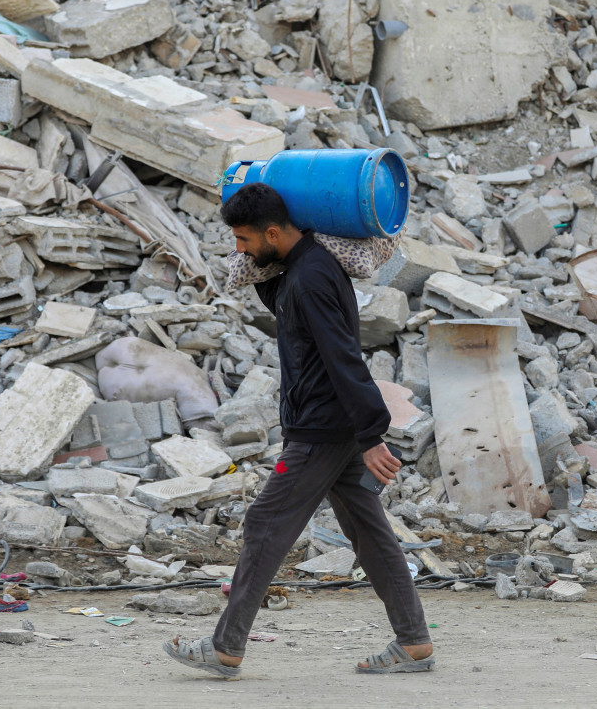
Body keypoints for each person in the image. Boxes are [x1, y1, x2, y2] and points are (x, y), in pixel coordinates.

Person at [164, 183, 434, 677]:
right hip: (333, 425)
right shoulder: (300, 269)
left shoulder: (311, 277)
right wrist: (255, 261)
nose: (238, 251)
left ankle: (226, 647)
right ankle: (413, 641)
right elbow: (277, 297)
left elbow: (343, 356)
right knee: (369, 533)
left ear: (273, 232)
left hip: (321, 430)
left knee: (266, 525)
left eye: (244, 240)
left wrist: (373, 434)